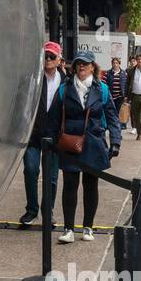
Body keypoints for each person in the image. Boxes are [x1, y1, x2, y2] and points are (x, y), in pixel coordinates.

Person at [47, 51, 122, 243]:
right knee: (70, 186)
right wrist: (51, 141)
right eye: (78, 63)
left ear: (92, 67)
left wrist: (115, 141)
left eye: (86, 64)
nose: (81, 66)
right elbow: (54, 117)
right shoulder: (64, 89)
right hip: (70, 142)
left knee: (91, 186)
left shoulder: (102, 89)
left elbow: (112, 117)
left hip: (94, 143)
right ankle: (69, 229)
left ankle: (88, 227)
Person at [20, 41, 64, 227]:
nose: (47, 60)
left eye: (51, 56)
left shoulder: (66, 81)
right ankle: (31, 210)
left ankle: (49, 211)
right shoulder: (33, 78)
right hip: (33, 134)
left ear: (59, 59)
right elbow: (22, 104)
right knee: (30, 170)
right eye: (45, 56)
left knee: (52, 177)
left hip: (54, 137)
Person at [103, 57, 127, 128]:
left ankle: (119, 124)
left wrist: (126, 95)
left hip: (120, 96)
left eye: (117, 63)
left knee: (118, 111)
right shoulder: (108, 73)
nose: (115, 64)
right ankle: (110, 124)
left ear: (119, 64)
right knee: (110, 111)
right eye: (114, 63)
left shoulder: (124, 74)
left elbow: (126, 85)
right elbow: (104, 83)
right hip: (110, 95)